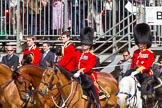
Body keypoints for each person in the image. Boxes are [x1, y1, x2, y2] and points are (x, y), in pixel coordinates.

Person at [74, 27, 100, 108]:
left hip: (87, 74)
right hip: (76, 72)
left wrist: (81, 71)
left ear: (89, 45)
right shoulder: (78, 53)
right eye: (83, 44)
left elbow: (89, 66)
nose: (83, 45)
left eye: (85, 44)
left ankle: (97, 102)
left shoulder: (91, 56)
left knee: (91, 86)